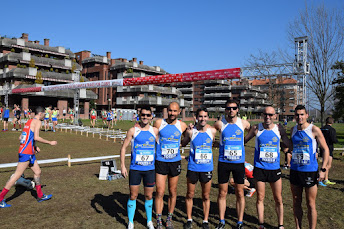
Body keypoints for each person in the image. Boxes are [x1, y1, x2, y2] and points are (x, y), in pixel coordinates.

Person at [0, 106, 57, 208]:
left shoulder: (29, 121)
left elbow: (21, 137)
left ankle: (40, 195)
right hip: (26, 152)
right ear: (40, 114)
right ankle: (0, 199)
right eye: (44, 114)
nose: (44, 116)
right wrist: (50, 142)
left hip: (29, 152)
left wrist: (34, 146)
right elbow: (36, 137)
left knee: (37, 172)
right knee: (16, 176)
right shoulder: (38, 122)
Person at [244, 106, 291, 229]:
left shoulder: (279, 129)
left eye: (270, 115)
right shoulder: (256, 128)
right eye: (265, 114)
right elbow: (244, 140)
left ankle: (280, 225)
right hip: (260, 168)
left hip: (274, 169)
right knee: (260, 197)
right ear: (262, 115)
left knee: (278, 198)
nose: (268, 117)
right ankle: (261, 224)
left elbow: (288, 143)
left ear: (275, 116)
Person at [288, 105, 329, 229]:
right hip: (295, 170)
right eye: (297, 115)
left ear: (306, 115)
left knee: (310, 204)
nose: (299, 117)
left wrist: (323, 169)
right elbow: (291, 147)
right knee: (296, 202)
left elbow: (325, 149)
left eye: (302, 114)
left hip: (310, 171)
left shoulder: (314, 129)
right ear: (294, 116)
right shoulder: (293, 130)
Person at [214, 99, 250, 229]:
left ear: (237, 109)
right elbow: (209, 132)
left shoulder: (244, 123)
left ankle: (239, 222)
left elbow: (253, 132)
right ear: (225, 110)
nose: (231, 110)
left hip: (238, 163)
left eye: (234, 108)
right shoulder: (220, 124)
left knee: (240, 193)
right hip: (223, 162)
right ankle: (221, 221)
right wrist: (216, 143)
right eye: (229, 108)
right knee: (222, 193)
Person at [120, 106, 159, 229]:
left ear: (151, 116)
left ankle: (149, 221)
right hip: (135, 169)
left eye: (148, 115)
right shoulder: (133, 130)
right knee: (133, 196)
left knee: (148, 196)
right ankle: (130, 222)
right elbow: (123, 148)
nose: (145, 117)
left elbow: (167, 141)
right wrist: (122, 166)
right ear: (139, 116)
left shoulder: (155, 131)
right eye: (143, 115)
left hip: (150, 170)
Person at [154, 102, 187, 229]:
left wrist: (182, 143)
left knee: (172, 191)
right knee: (160, 191)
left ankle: (169, 218)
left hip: (174, 162)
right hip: (161, 161)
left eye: (174, 111)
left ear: (179, 112)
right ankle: (158, 219)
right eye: (170, 110)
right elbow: (152, 136)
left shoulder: (182, 125)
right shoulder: (158, 123)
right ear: (167, 111)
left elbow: (186, 139)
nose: (172, 113)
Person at [182, 108, 216, 229]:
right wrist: (186, 131)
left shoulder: (212, 131)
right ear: (196, 117)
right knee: (190, 194)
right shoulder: (191, 132)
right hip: (193, 167)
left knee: (206, 196)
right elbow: (183, 143)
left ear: (208, 117)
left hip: (206, 168)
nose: (203, 119)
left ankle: (205, 220)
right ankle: (189, 219)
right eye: (200, 116)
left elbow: (215, 143)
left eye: (205, 116)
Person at [319, 117, 338, 186]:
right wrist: (336, 141)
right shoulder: (332, 130)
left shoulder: (321, 129)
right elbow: (333, 139)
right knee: (328, 165)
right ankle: (320, 178)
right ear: (332, 122)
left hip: (321, 148)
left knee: (325, 164)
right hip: (328, 149)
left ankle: (325, 179)